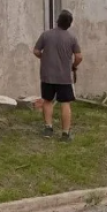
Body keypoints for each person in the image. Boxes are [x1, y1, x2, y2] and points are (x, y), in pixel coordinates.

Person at [32, 10, 82, 142]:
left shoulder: (46, 35)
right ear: (69, 24)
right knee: (65, 103)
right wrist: (74, 66)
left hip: (47, 75)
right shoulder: (72, 38)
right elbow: (79, 57)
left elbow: (36, 51)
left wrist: (44, 57)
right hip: (64, 77)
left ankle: (48, 128)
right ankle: (65, 134)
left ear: (58, 21)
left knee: (47, 101)